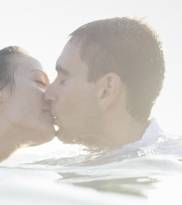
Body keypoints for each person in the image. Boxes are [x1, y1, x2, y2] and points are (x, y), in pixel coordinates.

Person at [44, 18, 165, 152]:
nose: (47, 95)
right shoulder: (88, 163)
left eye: (63, 80)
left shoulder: (176, 164)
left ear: (107, 89)